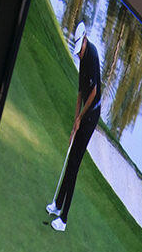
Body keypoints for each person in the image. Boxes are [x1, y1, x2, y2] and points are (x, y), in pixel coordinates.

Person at [46, 30, 107, 232]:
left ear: (85, 40)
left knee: (74, 164)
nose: (78, 55)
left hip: (92, 114)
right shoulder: (82, 56)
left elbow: (94, 92)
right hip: (84, 114)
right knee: (70, 158)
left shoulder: (92, 56)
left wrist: (81, 118)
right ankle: (57, 204)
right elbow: (80, 92)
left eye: (79, 50)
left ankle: (63, 219)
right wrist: (75, 120)